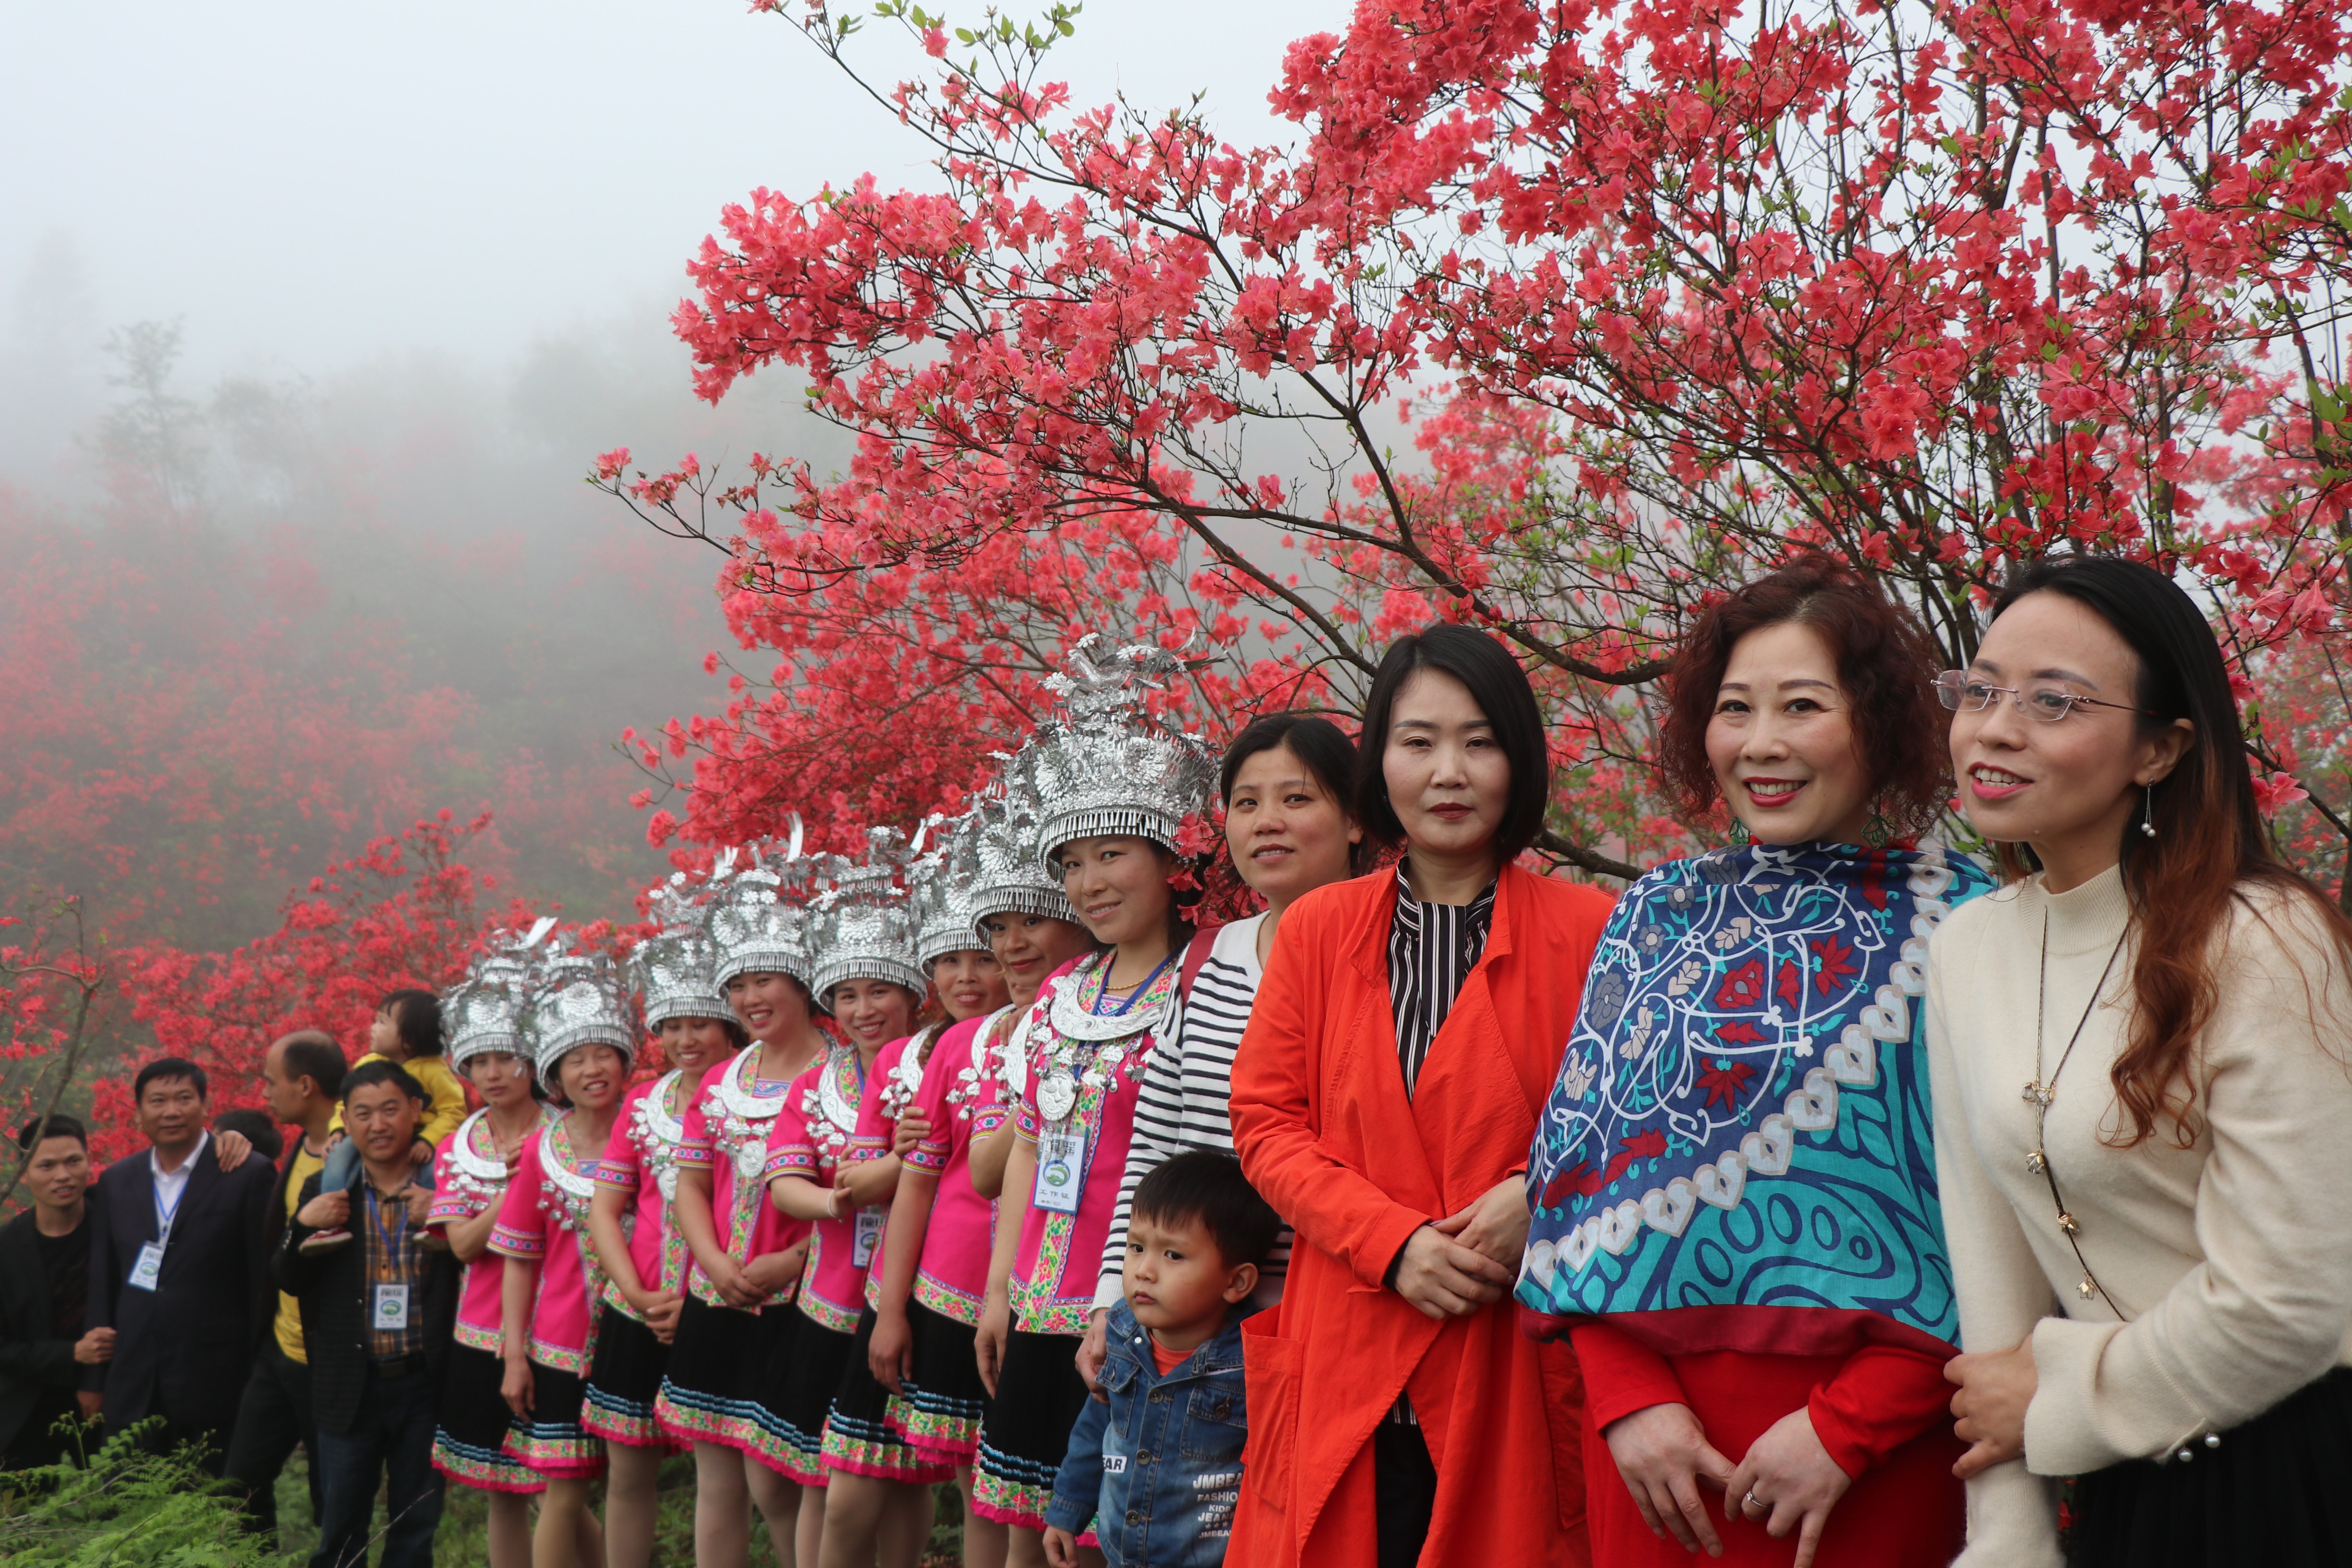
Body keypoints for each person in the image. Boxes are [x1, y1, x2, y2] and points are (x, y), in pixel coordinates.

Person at [1515, 558, 1994, 1568]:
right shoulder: (1653, 915)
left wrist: (1849, 1428)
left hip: (1877, 1458)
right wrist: (1626, 1401)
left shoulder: (1969, 920)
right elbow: (1573, 1187)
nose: (1761, 744)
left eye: (1803, 705)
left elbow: (2004, 1210)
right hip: (1657, 1465)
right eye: (1735, 708)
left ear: (1876, 721)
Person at [1926, 555, 2352, 1567]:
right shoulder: (1968, 949)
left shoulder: (2261, 938)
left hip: (2293, 1469)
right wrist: (2006, 1539)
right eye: (1979, 690)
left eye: (2054, 703)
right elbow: (1991, 1269)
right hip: (2115, 1489)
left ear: (2159, 751)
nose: (1994, 728)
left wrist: (2066, 1393)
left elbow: (2298, 1296)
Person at [1227, 623, 1614, 1568]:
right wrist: (1391, 1242)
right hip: (1344, 1345)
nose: (1449, 770)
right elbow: (1267, 1123)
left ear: (1517, 760)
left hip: (1511, 1356)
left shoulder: (1595, 930)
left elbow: (1627, 1120)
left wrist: (1541, 1192)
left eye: (1479, 741)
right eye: (1418, 740)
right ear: (1381, 761)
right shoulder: (1316, 929)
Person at [973, 639, 1220, 1568]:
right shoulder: (1057, 992)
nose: (1088, 882)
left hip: (1138, 1311)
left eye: (1111, 854)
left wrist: (1124, 1300)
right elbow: (1031, 1149)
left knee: (1116, 1534)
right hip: (1036, 1308)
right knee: (1015, 1532)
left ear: (1167, 860)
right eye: (1071, 863)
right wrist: (999, 1292)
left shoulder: (1209, 980)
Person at [1079, 713, 1365, 1384]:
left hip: (1325, 1326)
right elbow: (1156, 1143)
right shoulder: (1213, 956)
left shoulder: (1388, 961)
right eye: (1246, 803)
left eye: (1297, 798)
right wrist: (1112, 1303)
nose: (1267, 820)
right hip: (1190, 1334)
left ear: (1356, 820)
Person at [869, 787, 1094, 1568]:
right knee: (989, 1498)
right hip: (968, 1292)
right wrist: (891, 1306)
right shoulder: (964, 1044)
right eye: (995, 926)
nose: (1009, 944)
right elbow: (928, 1182)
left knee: (1064, 1510)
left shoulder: (1103, 1015)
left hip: (1076, 1289)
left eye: (1028, 919)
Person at [767, 835, 953, 1568]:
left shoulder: (945, 1060)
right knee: (827, 1480)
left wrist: (880, 1173)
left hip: (909, 1296)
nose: (863, 1009)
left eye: (879, 990)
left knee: (906, 1478)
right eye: (845, 995)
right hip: (830, 1298)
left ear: (912, 993)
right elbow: (787, 1182)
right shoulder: (817, 1081)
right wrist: (842, 1197)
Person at [660, 844, 823, 1568]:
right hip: (716, 1292)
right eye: (738, 988)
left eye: (766, 981)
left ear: (800, 982)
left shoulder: (842, 1076)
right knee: (717, 1476)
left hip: (802, 1302)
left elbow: (856, 1207)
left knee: (779, 1482)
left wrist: (791, 1261)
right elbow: (691, 1184)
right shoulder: (721, 1081)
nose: (752, 999)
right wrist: (714, 1263)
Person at [586, 893, 739, 1568]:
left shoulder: (754, 1094)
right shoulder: (644, 1103)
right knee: (627, 1474)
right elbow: (606, 1207)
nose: (684, 1040)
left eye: (700, 1023)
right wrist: (639, 1296)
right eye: (670, 1025)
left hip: (722, 1304)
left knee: (727, 1474)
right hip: (635, 1307)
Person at [1043, 1150, 1278, 1568]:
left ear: (1237, 1281)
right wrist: (1066, 1510)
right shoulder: (1120, 1333)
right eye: (1136, 1246)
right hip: (1122, 1554)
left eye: (1173, 1255)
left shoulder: (1253, 1363)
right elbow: (1095, 1425)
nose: (1144, 1270)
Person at [279, 1060, 456, 1568]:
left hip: (423, 1385)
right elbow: (287, 1276)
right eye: (363, 1114)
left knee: (414, 1530)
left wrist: (446, 1212)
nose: (378, 1125)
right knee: (339, 1531)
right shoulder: (326, 1192)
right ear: (347, 1123)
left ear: (417, 1111)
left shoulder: (444, 1189)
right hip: (348, 1386)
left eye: (390, 1110)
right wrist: (301, 1228)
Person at [492, 951, 638, 1568]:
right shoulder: (541, 1153)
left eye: (603, 1053)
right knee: (565, 1487)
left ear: (625, 1061)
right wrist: (515, 1353)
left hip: (640, 1333)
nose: (592, 1069)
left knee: (633, 1483)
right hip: (559, 1344)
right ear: (555, 1076)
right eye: (575, 1060)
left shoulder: (651, 1130)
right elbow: (519, 1258)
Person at [428, 938, 563, 1568]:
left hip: (559, 1327)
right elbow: (460, 1244)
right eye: (477, 1060)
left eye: (506, 1058)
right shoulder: (464, 1143)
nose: (491, 1073)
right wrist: (516, 1187)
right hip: (482, 1336)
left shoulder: (566, 1131)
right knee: (503, 1495)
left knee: (565, 1486)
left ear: (532, 1060)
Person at [81, 1055, 278, 1469]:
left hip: (216, 1381)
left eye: (184, 1098)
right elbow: (104, 1281)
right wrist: (95, 1380)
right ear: (138, 1114)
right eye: (158, 1101)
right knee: (128, 1513)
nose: (171, 1111)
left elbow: (262, 1282)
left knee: (222, 1508)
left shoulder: (247, 1173)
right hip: (133, 1379)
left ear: (206, 1105)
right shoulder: (117, 1181)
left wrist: (262, 1377)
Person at [225, 1031, 348, 1542]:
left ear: (305, 1085)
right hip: (280, 1351)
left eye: (271, 1082)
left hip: (329, 1360)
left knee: (333, 1503)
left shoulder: (352, 1154)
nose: (265, 1093)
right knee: (239, 1486)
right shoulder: (302, 1146)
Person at [302, 989, 468, 1252]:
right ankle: (331, 1220)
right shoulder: (370, 1063)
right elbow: (347, 1104)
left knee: (434, 1168)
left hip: (422, 1139)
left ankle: (433, 1221)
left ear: (410, 1039)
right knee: (338, 1157)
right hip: (373, 1140)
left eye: (382, 1022)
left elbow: (454, 1112)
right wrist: (337, 1130)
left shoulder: (435, 1070)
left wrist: (429, 1139)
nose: (373, 1028)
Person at [0, 1114, 109, 1469]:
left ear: (89, 1162)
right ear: (26, 1173)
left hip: (111, 1399)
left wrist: (230, 1138)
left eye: (73, 1161)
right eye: (47, 1165)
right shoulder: (7, 1249)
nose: (63, 1176)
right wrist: (72, 1354)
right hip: (27, 1409)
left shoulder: (116, 1224)